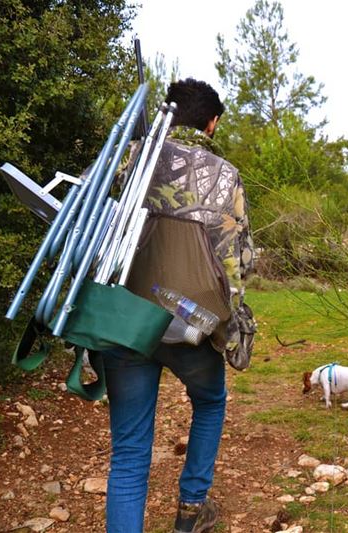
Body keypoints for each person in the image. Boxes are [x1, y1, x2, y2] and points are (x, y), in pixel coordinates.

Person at [102, 78, 254, 533]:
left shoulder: (130, 158)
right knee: (210, 402)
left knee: (129, 452)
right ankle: (191, 510)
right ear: (211, 123)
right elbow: (237, 263)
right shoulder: (223, 176)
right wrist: (229, 322)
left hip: (126, 320)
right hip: (190, 325)